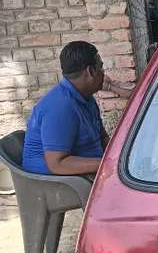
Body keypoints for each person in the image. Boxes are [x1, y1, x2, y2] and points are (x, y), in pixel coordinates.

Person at [22, 41, 131, 176]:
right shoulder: (60, 106)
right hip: (60, 184)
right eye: (101, 68)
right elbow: (57, 164)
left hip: (84, 174)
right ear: (90, 71)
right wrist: (111, 165)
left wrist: (123, 156)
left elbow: (102, 138)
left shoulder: (86, 97)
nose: (104, 73)